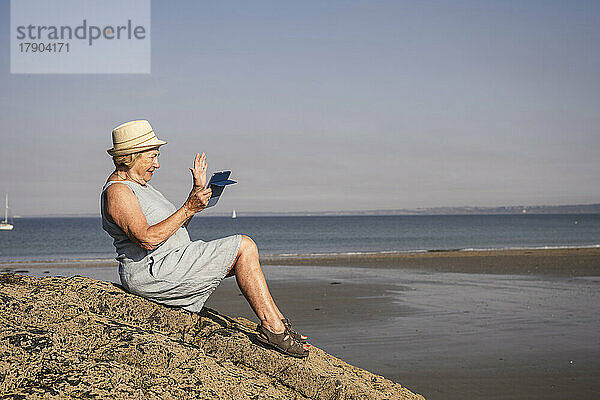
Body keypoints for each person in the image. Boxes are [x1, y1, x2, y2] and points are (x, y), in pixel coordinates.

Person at [101, 120, 310, 358]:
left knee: (242, 256)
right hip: (154, 272)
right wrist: (188, 207)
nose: (157, 164)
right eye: (152, 156)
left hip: (171, 260)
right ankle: (273, 327)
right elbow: (147, 239)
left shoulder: (140, 187)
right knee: (244, 246)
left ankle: (278, 321)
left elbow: (171, 230)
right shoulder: (118, 191)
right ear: (132, 155)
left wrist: (194, 195)